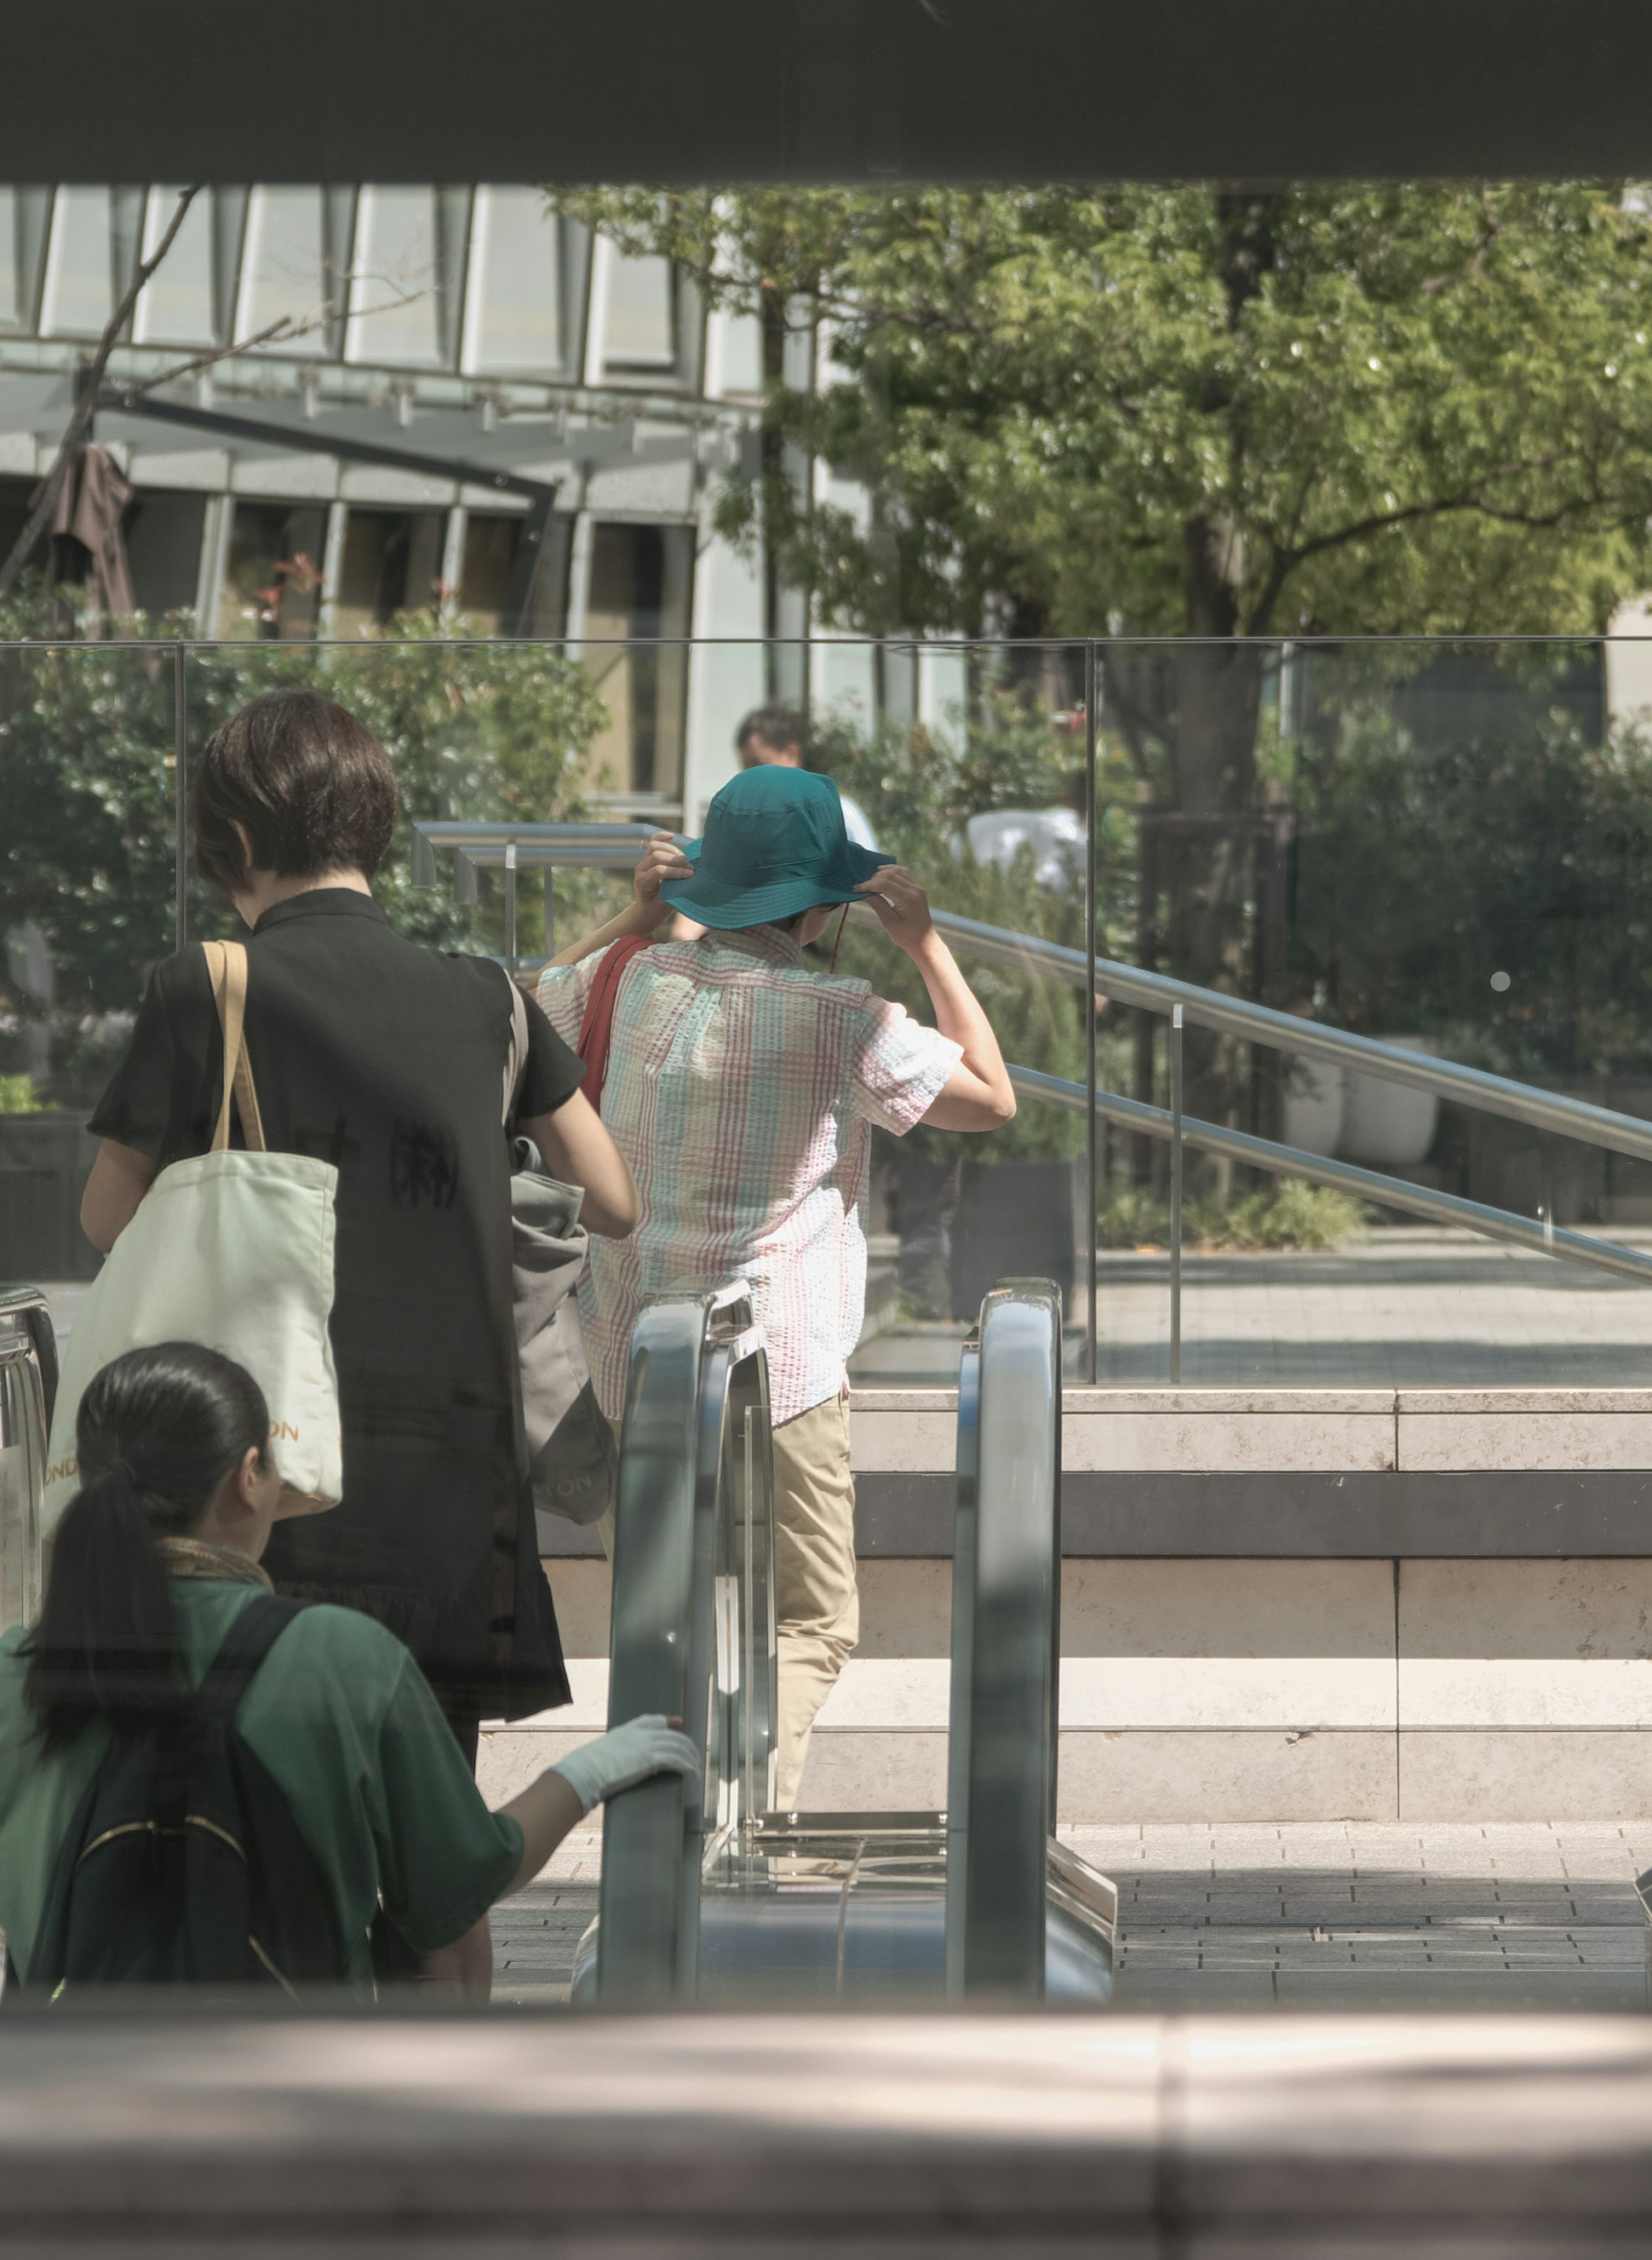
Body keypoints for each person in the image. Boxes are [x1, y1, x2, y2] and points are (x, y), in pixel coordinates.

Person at [77, 690, 638, 1970]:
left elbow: (111, 1217)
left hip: (261, 1487)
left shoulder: (203, 991)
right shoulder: (490, 999)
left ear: (229, 839)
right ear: (374, 829)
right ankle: (446, 2137)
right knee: (438, 1867)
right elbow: (611, 1201)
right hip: (450, 1496)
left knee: (266, 1841)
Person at [0, 1342, 697, 1999]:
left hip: (79, 2132)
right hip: (301, 2123)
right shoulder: (344, 1657)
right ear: (249, 1478)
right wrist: (588, 1772)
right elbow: (460, 1882)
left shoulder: (15, 1677)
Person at [533, 765, 1018, 1810]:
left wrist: (632, 915)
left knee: (660, 1626)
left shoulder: (628, 976)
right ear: (817, 903)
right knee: (811, 1620)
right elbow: (991, 1099)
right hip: (781, 1364)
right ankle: (738, 1802)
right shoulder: (844, 1013)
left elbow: (517, 1022)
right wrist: (926, 943)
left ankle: (666, 1840)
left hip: (631, 1362)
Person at [734, 703, 881, 852]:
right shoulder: (750, 825)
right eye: (746, 769)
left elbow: (871, 872)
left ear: (792, 755)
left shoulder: (840, 815)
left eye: (758, 764)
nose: (751, 778)